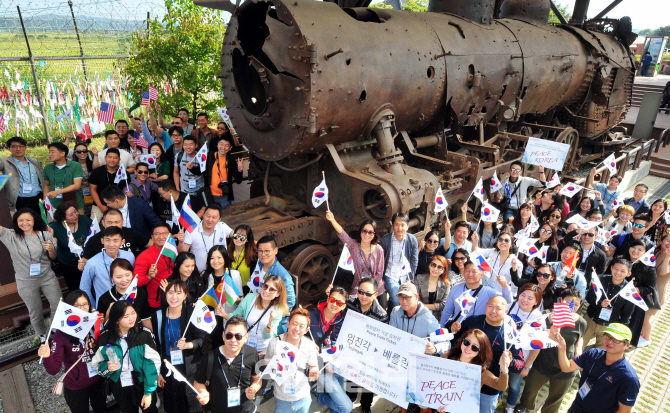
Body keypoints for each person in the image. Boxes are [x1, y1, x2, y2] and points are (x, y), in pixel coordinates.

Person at [517, 288, 587, 413]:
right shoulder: (546, 316)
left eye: (576, 304)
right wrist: (549, 332)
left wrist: (578, 351)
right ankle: (524, 405)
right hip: (544, 360)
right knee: (530, 388)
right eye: (568, 301)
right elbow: (536, 335)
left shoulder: (581, 322)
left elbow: (579, 338)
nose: (572, 306)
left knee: (557, 396)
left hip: (565, 363)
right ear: (561, 300)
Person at [452, 296, 524, 413]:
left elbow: (520, 364)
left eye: (498, 308)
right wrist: (453, 330)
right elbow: (455, 342)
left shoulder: (510, 334)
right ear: (486, 306)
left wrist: (509, 363)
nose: (493, 311)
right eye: (490, 306)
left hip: (489, 388)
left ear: (506, 311)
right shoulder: (472, 321)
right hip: (463, 379)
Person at [38, 290, 106, 413]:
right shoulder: (61, 333)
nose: (82, 308)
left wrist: (102, 326)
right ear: (69, 308)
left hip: (98, 379)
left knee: (101, 409)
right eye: (76, 305)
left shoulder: (94, 322)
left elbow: (105, 347)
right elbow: (53, 370)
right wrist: (47, 356)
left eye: (85, 304)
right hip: (76, 385)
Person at [0, 208, 59, 341]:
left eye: (28, 220)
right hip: (25, 280)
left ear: (34, 221)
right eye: (21, 220)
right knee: (35, 311)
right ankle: (43, 334)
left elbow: (53, 257)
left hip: (47, 276)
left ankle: (56, 330)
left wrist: (50, 250)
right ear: (16, 222)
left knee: (58, 304)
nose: (24, 223)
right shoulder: (11, 236)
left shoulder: (45, 235)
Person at [92, 301, 160, 413]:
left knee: (150, 410)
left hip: (141, 381)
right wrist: (108, 368)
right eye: (126, 316)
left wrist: (148, 392)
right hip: (119, 383)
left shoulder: (144, 334)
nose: (132, 318)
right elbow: (96, 365)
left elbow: (152, 364)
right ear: (117, 319)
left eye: (133, 313)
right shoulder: (105, 338)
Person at [555, 323, 639, 413]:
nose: (610, 342)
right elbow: (566, 368)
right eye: (608, 336)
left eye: (616, 340)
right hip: (576, 408)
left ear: (627, 345)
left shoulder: (628, 378)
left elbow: (624, 411)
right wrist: (562, 349)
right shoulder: (593, 354)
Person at [151, 280, 208, 413]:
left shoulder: (192, 313)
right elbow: (157, 345)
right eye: (170, 292)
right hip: (168, 364)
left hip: (189, 364)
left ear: (185, 295)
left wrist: (189, 345)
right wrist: (158, 371)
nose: (174, 297)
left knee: (190, 399)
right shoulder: (158, 315)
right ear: (165, 294)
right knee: (171, 399)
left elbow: (202, 339)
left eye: (178, 293)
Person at [194, 315, 261, 413]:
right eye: (229, 335)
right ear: (223, 336)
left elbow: (257, 379)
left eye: (238, 336)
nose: (233, 340)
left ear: (246, 337)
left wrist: (253, 389)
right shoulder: (209, 357)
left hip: (246, 410)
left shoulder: (252, 353)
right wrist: (203, 392)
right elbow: (198, 382)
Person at [343, 277, 387, 413]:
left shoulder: (381, 314)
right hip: (351, 347)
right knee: (351, 375)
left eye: (368, 294)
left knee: (369, 379)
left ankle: (366, 405)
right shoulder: (349, 302)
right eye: (361, 292)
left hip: (370, 352)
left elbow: (382, 340)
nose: (363, 296)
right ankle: (351, 396)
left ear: (376, 294)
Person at [441, 329, 510, 413]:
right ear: (462, 341)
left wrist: (504, 369)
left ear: (480, 352)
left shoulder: (480, 372)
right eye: (467, 342)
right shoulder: (448, 356)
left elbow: (501, 386)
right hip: (445, 405)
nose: (468, 348)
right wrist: (438, 402)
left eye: (474, 348)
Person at [264, 308, 319, 413]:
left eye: (302, 326)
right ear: (288, 324)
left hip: (303, 397)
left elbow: (313, 366)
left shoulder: (309, 345)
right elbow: (267, 363)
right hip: (281, 397)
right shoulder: (275, 342)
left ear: (306, 330)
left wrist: (314, 373)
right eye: (294, 324)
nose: (297, 329)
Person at [309, 286, 353, 413]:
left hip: (334, 362)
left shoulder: (341, 322)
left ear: (343, 306)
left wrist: (333, 362)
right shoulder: (311, 315)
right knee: (346, 408)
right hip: (317, 365)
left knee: (339, 402)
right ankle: (322, 398)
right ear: (328, 299)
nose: (335, 304)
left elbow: (338, 344)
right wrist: (308, 343)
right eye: (333, 300)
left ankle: (323, 397)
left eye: (339, 303)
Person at [325, 210, 385, 301]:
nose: (367, 234)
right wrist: (332, 220)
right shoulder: (353, 246)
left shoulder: (378, 249)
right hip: (358, 287)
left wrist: (371, 289)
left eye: (370, 232)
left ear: (374, 234)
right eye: (364, 231)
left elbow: (379, 273)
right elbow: (342, 234)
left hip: (375, 287)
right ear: (360, 231)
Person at [223, 275, 288, 355]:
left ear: (278, 294)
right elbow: (235, 315)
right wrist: (223, 314)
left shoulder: (278, 309)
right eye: (265, 286)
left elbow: (267, 336)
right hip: (245, 346)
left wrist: (270, 321)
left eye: (272, 289)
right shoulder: (250, 298)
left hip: (263, 350)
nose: (266, 291)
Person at [504, 284, 544, 412]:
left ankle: (510, 406)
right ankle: (497, 397)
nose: (524, 300)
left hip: (521, 358)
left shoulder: (538, 318)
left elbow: (537, 346)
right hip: (503, 351)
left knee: (514, 385)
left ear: (536, 301)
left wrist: (527, 366)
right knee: (500, 377)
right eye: (523, 295)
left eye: (530, 298)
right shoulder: (511, 305)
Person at [441, 261, 512, 328]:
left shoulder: (489, 292)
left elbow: (507, 300)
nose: (470, 274)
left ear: (481, 275)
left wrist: (505, 286)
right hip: (457, 330)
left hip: (478, 334)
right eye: (467, 271)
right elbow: (447, 311)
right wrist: (442, 328)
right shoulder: (456, 288)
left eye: (474, 271)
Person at [583, 258, 635, 349]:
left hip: (608, 327)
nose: (618, 273)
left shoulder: (629, 291)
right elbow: (589, 297)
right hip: (590, 320)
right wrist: (599, 303)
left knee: (602, 352)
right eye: (616, 269)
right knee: (578, 346)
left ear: (628, 274)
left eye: (623, 271)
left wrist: (618, 332)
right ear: (611, 268)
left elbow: (627, 314)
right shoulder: (600, 279)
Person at [80, 226, 136, 307]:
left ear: (122, 241)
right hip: (104, 306)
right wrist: (94, 307)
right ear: (102, 241)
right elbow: (84, 288)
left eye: (115, 240)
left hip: (128, 303)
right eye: (107, 240)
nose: (111, 244)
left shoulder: (129, 256)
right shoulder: (92, 263)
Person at [390, 283, 449, 354]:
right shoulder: (395, 312)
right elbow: (391, 335)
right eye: (401, 297)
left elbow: (446, 343)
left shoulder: (429, 319)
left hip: (417, 359)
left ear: (416, 297)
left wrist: (435, 348)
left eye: (408, 297)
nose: (404, 301)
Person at [251, 235, 296, 319]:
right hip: (256, 305)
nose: (263, 254)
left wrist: (275, 315)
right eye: (260, 251)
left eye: (267, 251)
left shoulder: (283, 275)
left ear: (275, 251)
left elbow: (290, 301)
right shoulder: (259, 264)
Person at [50, 202, 92, 291]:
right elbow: (53, 249)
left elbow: (94, 235)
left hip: (87, 261)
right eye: (70, 215)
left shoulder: (85, 220)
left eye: (75, 212)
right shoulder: (55, 227)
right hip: (68, 264)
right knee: (75, 288)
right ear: (63, 217)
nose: (75, 215)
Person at [381, 212, 419, 310]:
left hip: (405, 275)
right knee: (396, 299)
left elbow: (414, 261)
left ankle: (393, 317)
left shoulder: (412, 240)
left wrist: (409, 279)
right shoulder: (385, 240)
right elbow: (381, 261)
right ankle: (391, 319)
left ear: (407, 226)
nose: (399, 228)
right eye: (397, 225)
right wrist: (382, 278)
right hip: (390, 275)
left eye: (402, 225)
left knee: (407, 300)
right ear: (393, 225)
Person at [626, 240, 660, 348]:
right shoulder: (622, 260)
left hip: (638, 301)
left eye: (640, 250)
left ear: (645, 251)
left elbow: (650, 287)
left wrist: (638, 289)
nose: (635, 251)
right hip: (622, 298)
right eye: (633, 247)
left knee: (635, 323)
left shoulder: (649, 268)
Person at [97, 258, 151, 327]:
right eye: (119, 277)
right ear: (112, 278)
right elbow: (102, 326)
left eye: (127, 275)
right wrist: (108, 312)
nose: (124, 280)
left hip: (138, 334)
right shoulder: (105, 299)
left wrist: (151, 336)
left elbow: (145, 318)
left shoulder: (140, 292)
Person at [135, 222, 176, 310]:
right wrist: (149, 277)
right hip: (157, 303)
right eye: (157, 234)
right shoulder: (144, 256)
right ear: (152, 237)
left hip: (177, 299)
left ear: (170, 235)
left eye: (164, 233)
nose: (161, 237)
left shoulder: (174, 251)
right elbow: (136, 281)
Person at [180, 204, 233, 271]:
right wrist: (181, 242)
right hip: (198, 273)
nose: (210, 219)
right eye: (208, 216)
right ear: (203, 215)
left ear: (219, 219)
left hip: (219, 272)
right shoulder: (192, 229)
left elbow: (234, 235)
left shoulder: (222, 226)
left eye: (214, 217)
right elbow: (183, 252)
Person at [82, 208, 151, 259]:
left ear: (122, 221)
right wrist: (82, 265)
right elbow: (85, 261)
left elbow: (152, 245)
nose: (114, 225)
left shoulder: (132, 233)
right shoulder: (93, 240)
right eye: (109, 222)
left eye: (117, 222)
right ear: (103, 223)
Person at [0, 136, 45, 214]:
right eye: (14, 146)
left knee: (41, 223)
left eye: (21, 146)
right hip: (19, 200)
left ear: (25, 148)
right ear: (8, 148)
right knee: (24, 224)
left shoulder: (34, 162)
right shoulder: (4, 162)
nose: (18, 149)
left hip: (38, 199)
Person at [88, 148, 131, 218]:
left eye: (115, 158)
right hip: (99, 205)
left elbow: (125, 188)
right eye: (109, 157)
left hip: (118, 205)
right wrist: (100, 206)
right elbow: (92, 190)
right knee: (94, 225)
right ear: (105, 158)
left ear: (119, 160)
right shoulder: (97, 172)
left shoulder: (124, 173)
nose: (112, 160)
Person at [205, 134, 244, 209]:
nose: (223, 147)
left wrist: (240, 170)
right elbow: (199, 171)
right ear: (217, 145)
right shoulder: (209, 157)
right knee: (211, 217)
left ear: (230, 148)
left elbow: (238, 180)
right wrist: (191, 168)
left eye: (226, 145)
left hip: (224, 196)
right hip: (209, 194)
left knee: (225, 218)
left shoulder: (231, 161)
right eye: (221, 144)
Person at [43, 141, 84, 211]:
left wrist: (57, 192)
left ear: (62, 153)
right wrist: (45, 199)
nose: (50, 154)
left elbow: (77, 185)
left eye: (52, 152)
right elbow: (47, 184)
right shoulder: (47, 168)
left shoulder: (75, 166)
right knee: (57, 222)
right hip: (54, 206)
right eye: (49, 152)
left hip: (73, 203)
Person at [413, 255, 450, 320]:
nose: (435, 269)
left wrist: (424, 306)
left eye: (440, 267)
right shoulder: (419, 278)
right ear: (429, 265)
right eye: (433, 265)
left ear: (443, 270)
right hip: (418, 314)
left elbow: (444, 305)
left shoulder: (446, 284)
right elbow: (415, 298)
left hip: (437, 318)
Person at [71, 140, 100, 215]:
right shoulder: (72, 166)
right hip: (78, 195)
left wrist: (96, 155)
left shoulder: (92, 163)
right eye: (79, 152)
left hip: (92, 193)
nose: (82, 153)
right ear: (75, 153)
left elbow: (96, 169)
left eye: (84, 151)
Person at [173, 135, 206, 200]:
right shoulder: (179, 156)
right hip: (184, 191)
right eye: (185, 144)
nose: (188, 147)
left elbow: (203, 172)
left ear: (196, 145)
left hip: (199, 191)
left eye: (191, 144)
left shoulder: (201, 157)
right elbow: (176, 172)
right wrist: (177, 188)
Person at [227, 224, 258, 293]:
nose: (238, 239)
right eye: (236, 236)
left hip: (246, 290)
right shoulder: (228, 253)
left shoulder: (253, 256)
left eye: (242, 237)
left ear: (247, 240)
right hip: (230, 288)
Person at [655, 233, 670, 307]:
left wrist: (667, 257)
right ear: (661, 241)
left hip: (657, 295)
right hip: (645, 290)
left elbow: (661, 273)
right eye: (668, 241)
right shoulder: (655, 252)